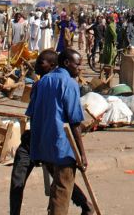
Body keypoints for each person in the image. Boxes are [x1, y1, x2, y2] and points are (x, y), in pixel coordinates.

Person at [10, 50, 91, 215]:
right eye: (77, 65)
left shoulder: (41, 83)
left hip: (42, 143)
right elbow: (75, 121)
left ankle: (86, 206)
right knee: (61, 190)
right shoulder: (69, 84)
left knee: (59, 185)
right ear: (67, 63)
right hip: (61, 145)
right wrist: (82, 154)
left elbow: (32, 114)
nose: (79, 69)